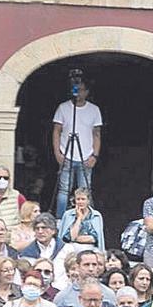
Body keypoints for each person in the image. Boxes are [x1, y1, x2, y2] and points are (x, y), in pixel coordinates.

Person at [50, 74, 102, 215]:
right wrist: (57, 153)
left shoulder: (94, 110)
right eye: (76, 89)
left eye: (81, 90)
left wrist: (95, 156)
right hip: (66, 154)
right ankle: (60, 219)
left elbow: (96, 134)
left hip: (86, 156)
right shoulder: (63, 108)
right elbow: (56, 131)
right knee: (63, 190)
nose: (78, 93)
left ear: (86, 92)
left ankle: (85, 219)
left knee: (85, 190)